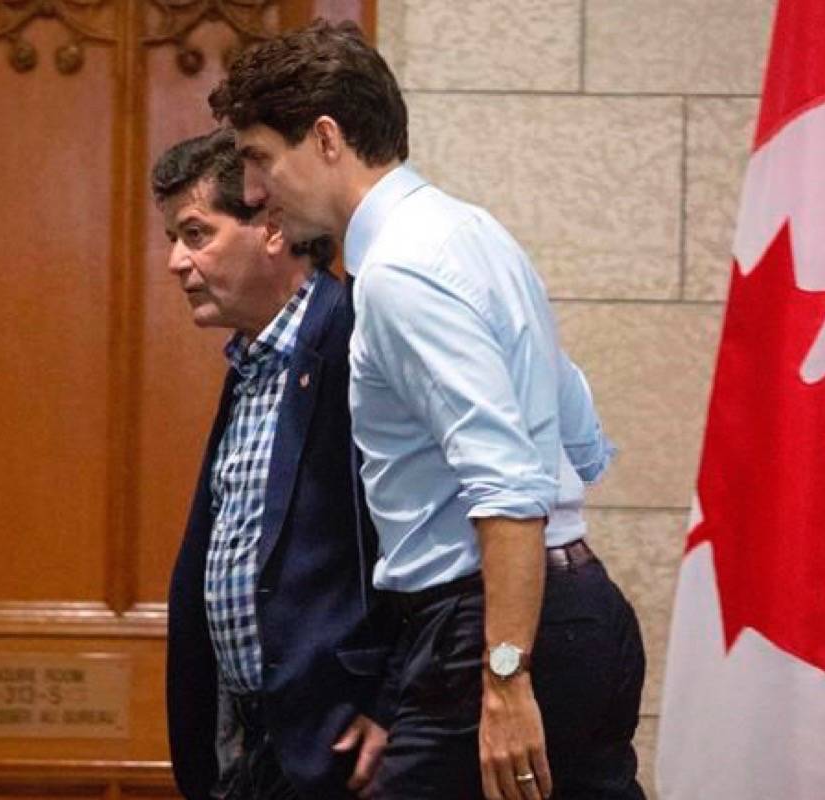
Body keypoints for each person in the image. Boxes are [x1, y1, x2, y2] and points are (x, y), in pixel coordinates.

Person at [208, 20, 646, 800]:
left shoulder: (401, 270)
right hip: (576, 609)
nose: (251, 191)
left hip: (493, 626)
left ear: (327, 137)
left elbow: (510, 486)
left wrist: (505, 676)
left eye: (258, 158)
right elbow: (575, 432)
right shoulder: (471, 232)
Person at [154, 128, 394, 800]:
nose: (175, 261)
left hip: (343, 748)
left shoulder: (355, 340)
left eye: (196, 233)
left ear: (274, 228)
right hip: (253, 745)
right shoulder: (251, 366)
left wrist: (398, 699)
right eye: (173, 237)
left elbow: (434, 536)